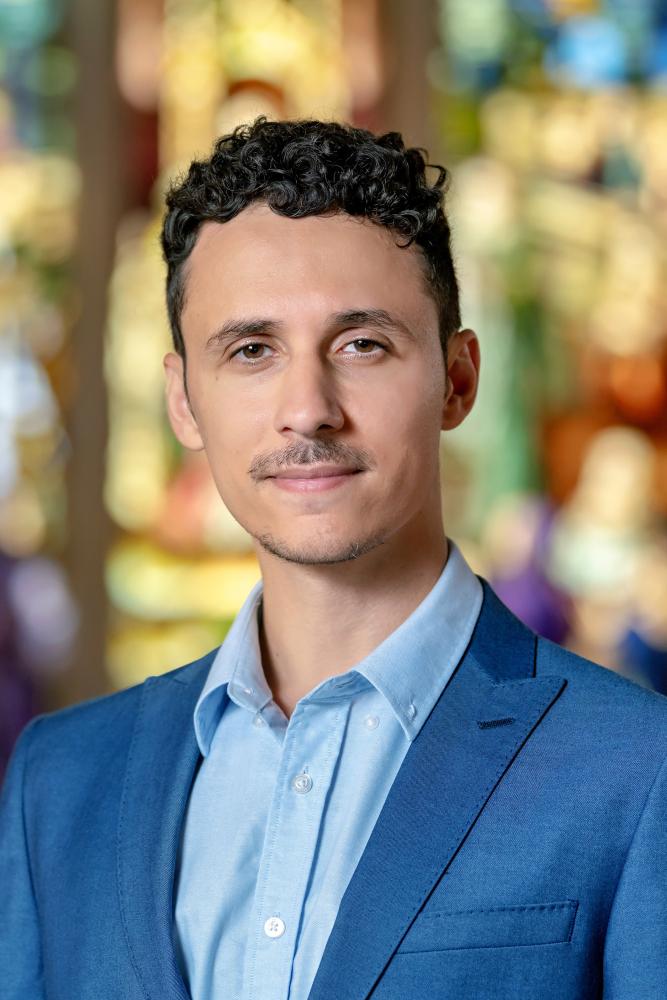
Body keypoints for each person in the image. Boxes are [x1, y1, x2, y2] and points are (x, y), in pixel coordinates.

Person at [1, 118, 666, 1000]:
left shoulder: (635, 770)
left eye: (362, 344)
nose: (307, 410)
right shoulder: (60, 781)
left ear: (457, 380)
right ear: (183, 402)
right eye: (250, 350)